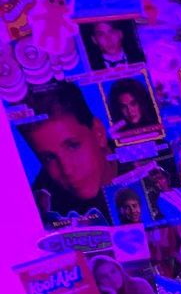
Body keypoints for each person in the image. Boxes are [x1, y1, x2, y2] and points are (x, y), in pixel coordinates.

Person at [18, 81, 130, 227]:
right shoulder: (40, 206)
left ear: (99, 133)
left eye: (72, 146)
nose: (67, 170)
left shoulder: (144, 156)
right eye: (48, 158)